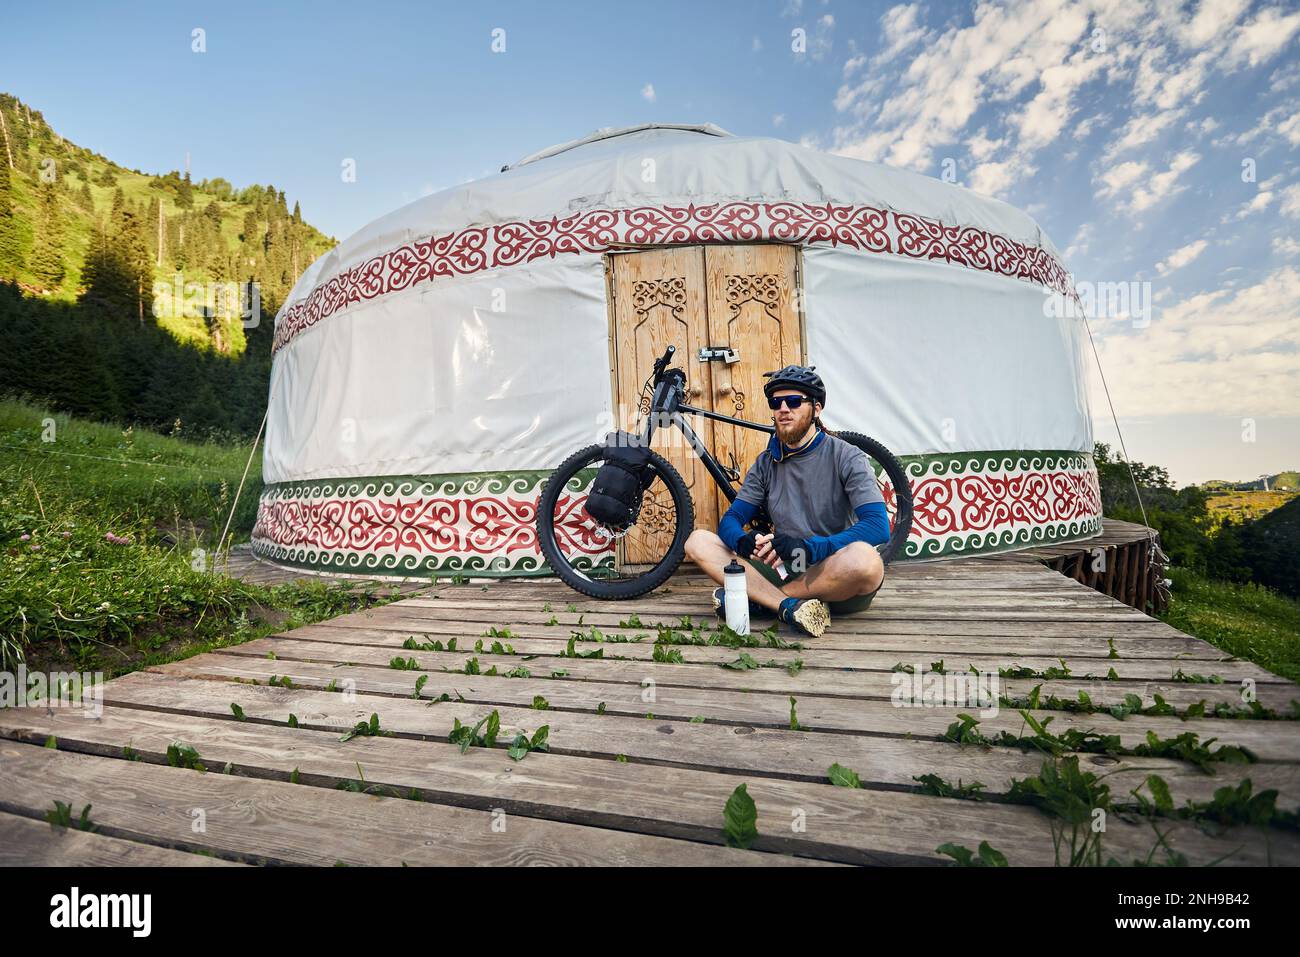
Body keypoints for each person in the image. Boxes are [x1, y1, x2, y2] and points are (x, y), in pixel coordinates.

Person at [683, 364, 889, 638]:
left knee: (867, 561)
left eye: (793, 401)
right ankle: (789, 607)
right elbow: (732, 520)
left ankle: (763, 600)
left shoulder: (847, 456)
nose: (783, 408)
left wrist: (810, 547)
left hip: (834, 570)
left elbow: (878, 526)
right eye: (776, 402)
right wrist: (742, 541)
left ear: (816, 409)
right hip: (785, 567)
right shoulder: (766, 462)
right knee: (698, 540)